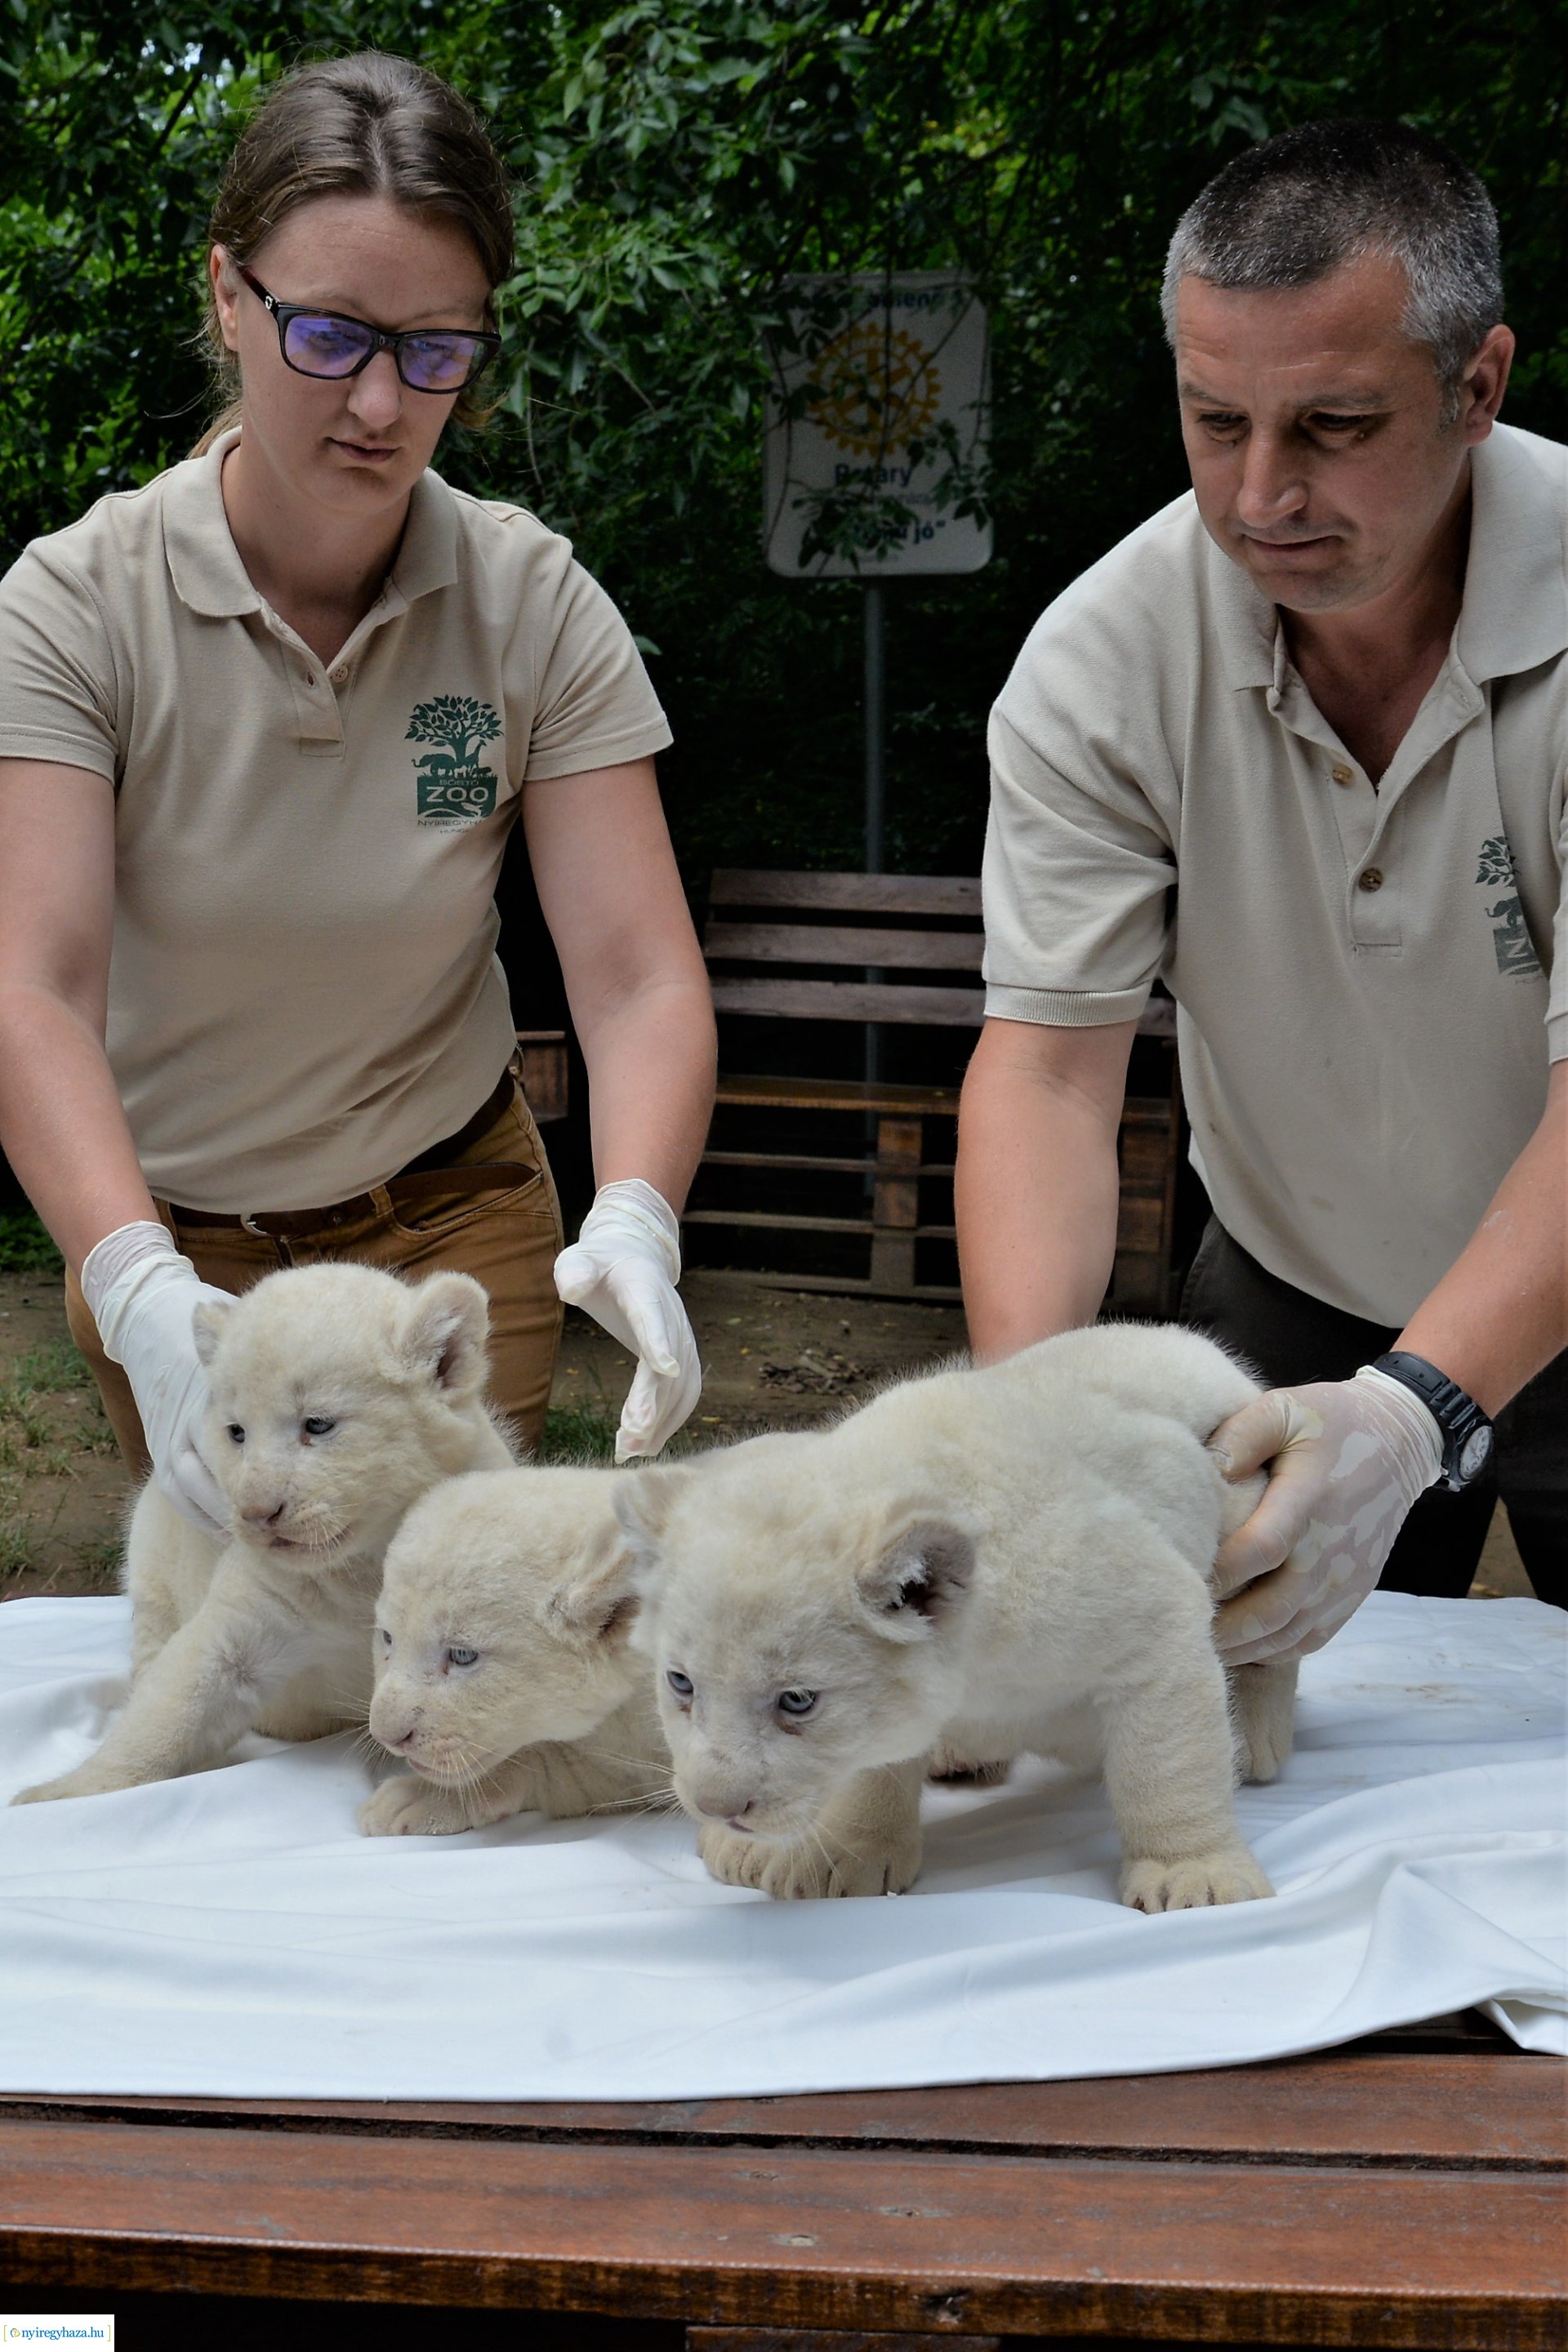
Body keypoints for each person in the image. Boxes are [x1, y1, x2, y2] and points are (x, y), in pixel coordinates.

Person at [0, 52, 716, 1531]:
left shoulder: (531, 602)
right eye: (328, 335)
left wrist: (639, 1212)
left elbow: (639, 976)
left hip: (453, 1216)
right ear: (227, 296)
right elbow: (34, 990)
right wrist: (129, 1280)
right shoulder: (75, 607)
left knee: (455, 1614)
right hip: (182, 1248)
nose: (382, 403)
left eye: (437, 349)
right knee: (252, 1629)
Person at [956, 118, 1566, 1658]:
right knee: (1236, 1708)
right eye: (1215, 420)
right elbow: (1048, 1074)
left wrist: (1414, 1412)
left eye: (1335, 426)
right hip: (1296, 1273)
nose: (1261, 496)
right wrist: (1029, 1429)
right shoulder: (1103, 664)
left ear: (1479, 386)